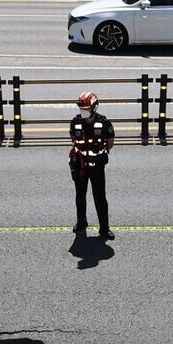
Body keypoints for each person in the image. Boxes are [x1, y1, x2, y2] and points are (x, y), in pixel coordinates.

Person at [69, 90, 115, 240]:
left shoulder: (104, 123)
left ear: (94, 108)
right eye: (81, 109)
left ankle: (104, 228)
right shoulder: (75, 122)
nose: (83, 112)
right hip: (81, 166)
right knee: (80, 196)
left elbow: (110, 143)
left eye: (86, 109)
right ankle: (81, 223)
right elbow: (73, 140)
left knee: (100, 197)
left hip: (97, 167)